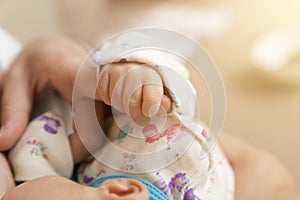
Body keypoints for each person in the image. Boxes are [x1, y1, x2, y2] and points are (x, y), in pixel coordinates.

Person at [0, 34, 298, 199]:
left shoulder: (46, 171)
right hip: (216, 168)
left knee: (132, 81)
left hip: (120, 111)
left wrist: (133, 70)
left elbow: (37, 155)